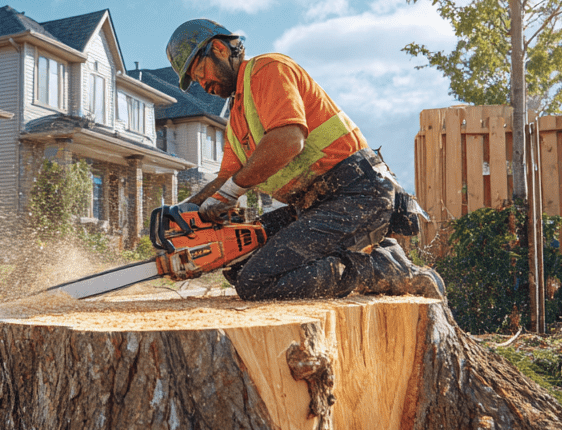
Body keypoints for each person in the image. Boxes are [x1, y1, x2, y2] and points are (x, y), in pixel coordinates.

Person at [165, 18, 445, 301]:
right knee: (239, 266)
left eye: (200, 72)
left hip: (357, 192)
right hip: (316, 204)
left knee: (256, 281)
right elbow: (226, 177)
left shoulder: (268, 70)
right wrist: (187, 209)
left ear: (219, 49)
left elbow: (289, 139)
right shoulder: (237, 114)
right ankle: (380, 252)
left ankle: (384, 268)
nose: (202, 84)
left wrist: (231, 192)